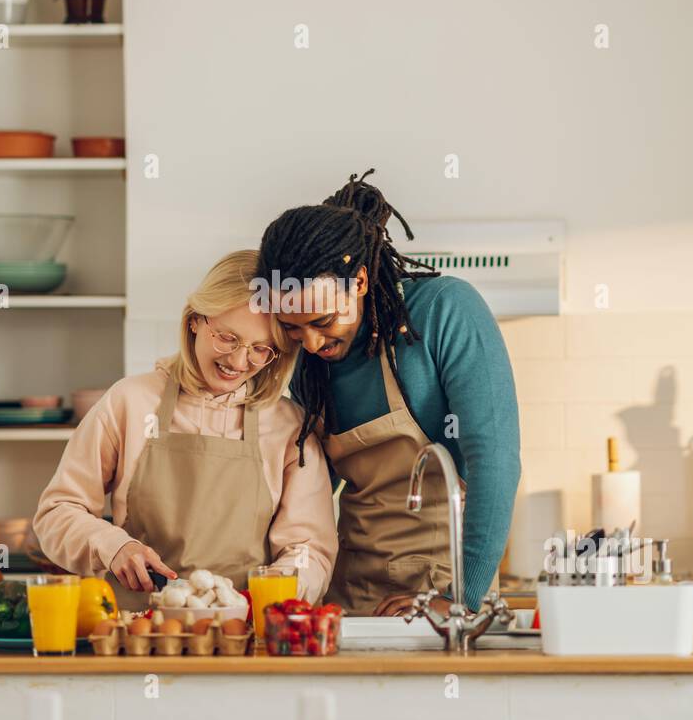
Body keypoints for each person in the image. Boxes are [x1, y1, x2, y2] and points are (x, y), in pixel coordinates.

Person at [256, 171, 520, 616]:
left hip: (443, 586)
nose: (313, 344)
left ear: (358, 282)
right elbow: (308, 486)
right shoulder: (313, 363)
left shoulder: (443, 312)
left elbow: (496, 459)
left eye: (323, 322)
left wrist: (461, 600)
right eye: (291, 328)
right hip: (352, 587)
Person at [33, 250, 337, 610]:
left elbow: (308, 549)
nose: (239, 362)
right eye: (227, 338)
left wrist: (268, 596)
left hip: (245, 636)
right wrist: (114, 546)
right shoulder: (130, 401)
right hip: (138, 633)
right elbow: (58, 511)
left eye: (260, 350)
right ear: (195, 320)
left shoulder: (288, 428)